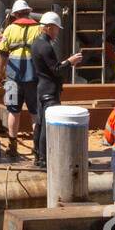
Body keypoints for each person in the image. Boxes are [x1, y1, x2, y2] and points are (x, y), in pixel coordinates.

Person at [30, 10, 84, 167]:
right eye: (56, 29)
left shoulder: (36, 43)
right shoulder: (46, 47)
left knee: (40, 124)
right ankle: (44, 160)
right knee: (48, 125)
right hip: (49, 92)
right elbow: (56, 69)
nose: (58, 32)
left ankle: (38, 156)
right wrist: (70, 61)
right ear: (48, 27)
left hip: (41, 89)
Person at [0, 0, 40, 159]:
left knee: (13, 111)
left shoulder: (9, 29)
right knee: (35, 113)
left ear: (15, 14)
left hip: (12, 77)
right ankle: (37, 148)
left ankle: (12, 146)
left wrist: (0, 73)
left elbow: (2, 53)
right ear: (28, 12)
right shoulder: (38, 28)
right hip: (33, 76)